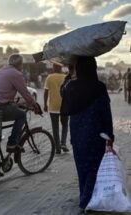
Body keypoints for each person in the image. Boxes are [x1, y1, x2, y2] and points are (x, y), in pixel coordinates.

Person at [61, 56, 114, 211]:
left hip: (77, 133)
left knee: (82, 167)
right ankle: (86, 200)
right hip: (95, 133)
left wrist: (70, 74)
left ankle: (85, 194)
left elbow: (62, 94)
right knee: (93, 167)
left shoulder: (70, 86)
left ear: (78, 69)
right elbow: (105, 112)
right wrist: (109, 135)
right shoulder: (99, 87)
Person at [0, 54, 40, 153]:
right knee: (22, 115)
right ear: (20, 64)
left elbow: (1, 91)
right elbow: (25, 92)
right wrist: (35, 105)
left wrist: (12, 103)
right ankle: (12, 143)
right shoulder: (16, 74)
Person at [44, 64, 69, 154]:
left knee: (55, 128)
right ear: (61, 67)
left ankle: (57, 148)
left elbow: (46, 92)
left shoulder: (49, 77)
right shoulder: (66, 77)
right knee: (65, 125)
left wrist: (45, 105)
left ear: (54, 68)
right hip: (64, 106)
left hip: (53, 106)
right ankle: (63, 143)